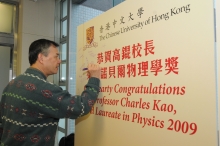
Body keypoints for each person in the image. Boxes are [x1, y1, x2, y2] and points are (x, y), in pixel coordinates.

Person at [0, 39, 100, 146]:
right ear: (41, 58)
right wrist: (94, 78)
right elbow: (81, 107)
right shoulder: (43, 89)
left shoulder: (11, 84)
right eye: (56, 56)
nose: (59, 61)